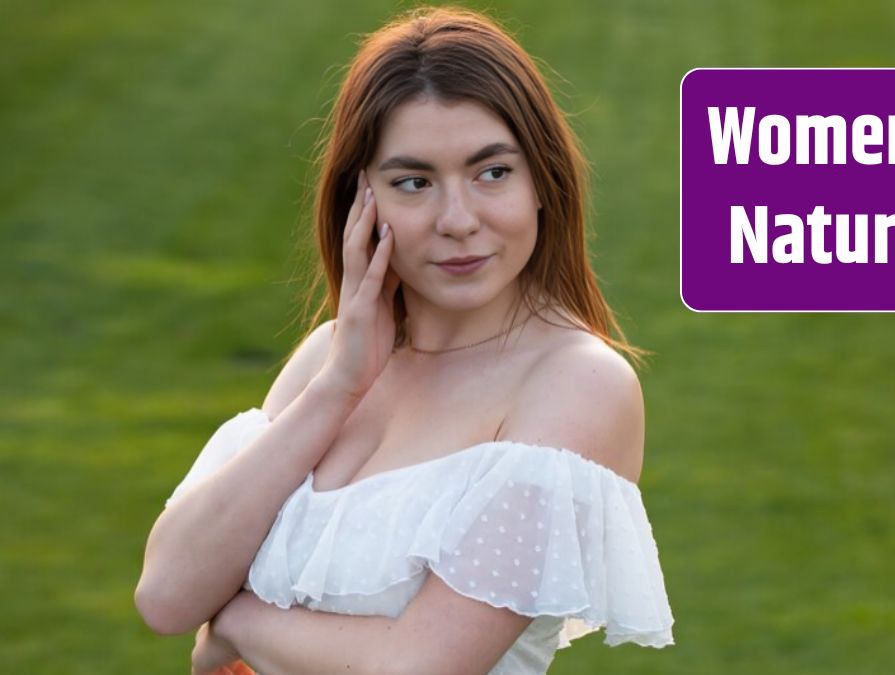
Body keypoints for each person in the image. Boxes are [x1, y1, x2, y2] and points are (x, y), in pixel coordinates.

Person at [133, 6, 674, 674]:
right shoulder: (326, 360)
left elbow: (416, 667)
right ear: (361, 203)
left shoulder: (578, 384)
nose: (457, 220)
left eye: (492, 172)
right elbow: (165, 595)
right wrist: (338, 386)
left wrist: (239, 619)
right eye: (413, 182)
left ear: (543, 181)